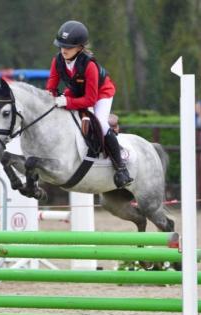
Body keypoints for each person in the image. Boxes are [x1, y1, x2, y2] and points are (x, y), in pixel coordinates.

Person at [46, 20, 133, 189]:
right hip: (77, 91)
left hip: (101, 94)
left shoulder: (89, 65)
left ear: (79, 47)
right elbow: (51, 86)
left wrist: (67, 101)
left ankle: (121, 168)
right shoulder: (57, 61)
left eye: (68, 47)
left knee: (100, 123)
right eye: (61, 46)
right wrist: (51, 97)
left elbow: (90, 100)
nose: (63, 50)